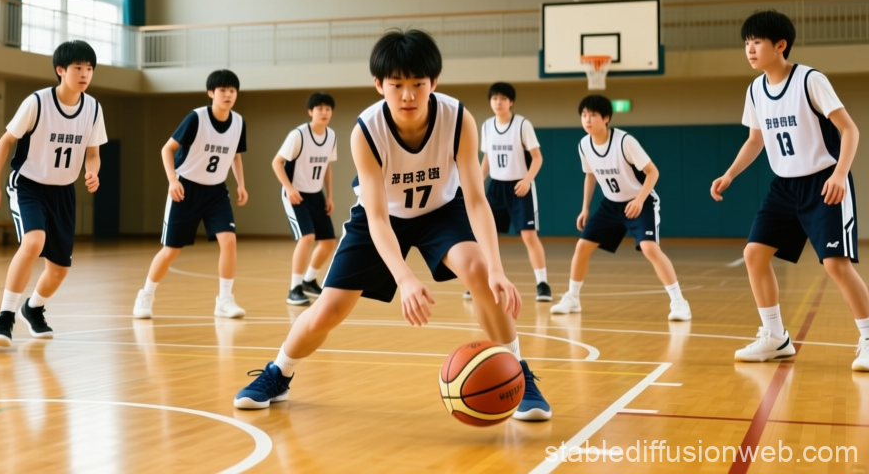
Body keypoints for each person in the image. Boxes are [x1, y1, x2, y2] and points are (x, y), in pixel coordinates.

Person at [233, 29, 551, 421]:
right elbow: (379, 216)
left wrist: (499, 269)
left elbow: (474, 198)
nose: (408, 95)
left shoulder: (458, 119)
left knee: (481, 272)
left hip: (442, 211)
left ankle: (519, 375)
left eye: (418, 84)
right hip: (380, 218)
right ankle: (278, 372)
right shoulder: (366, 132)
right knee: (330, 308)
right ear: (378, 84)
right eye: (397, 84)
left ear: (433, 82)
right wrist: (404, 278)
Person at [711, 10, 868, 370]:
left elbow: (850, 130)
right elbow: (755, 140)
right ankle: (776, 337)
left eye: (757, 43)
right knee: (754, 254)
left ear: (780, 45)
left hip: (823, 181)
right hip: (784, 187)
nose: (750, 49)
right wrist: (730, 174)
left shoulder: (810, 80)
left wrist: (840, 175)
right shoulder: (755, 90)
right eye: (746, 43)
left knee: (835, 265)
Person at [0, 41, 107, 347]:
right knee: (34, 241)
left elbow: (93, 153)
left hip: (63, 190)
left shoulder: (92, 108)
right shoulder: (37, 103)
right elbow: (5, 142)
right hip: (28, 184)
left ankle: (33, 308)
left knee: (59, 271)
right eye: (78, 68)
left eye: (89, 68)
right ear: (61, 70)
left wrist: (93, 171)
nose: (84, 74)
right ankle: (5, 316)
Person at [550, 95, 691, 322]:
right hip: (610, 204)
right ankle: (572, 297)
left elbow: (653, 172)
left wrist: (638, 200)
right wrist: (585, 208)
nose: (587, 119)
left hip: (640, 201)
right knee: (582, 247)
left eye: (593, 115)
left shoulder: (625, 141)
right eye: (584, 115)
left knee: (650, 249)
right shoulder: (584, 145)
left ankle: (679, 302)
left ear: (605, 118)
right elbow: (590, 176)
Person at [133, 70, 249, 320]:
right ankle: (146, 294)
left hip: (217, 190)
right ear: (211, 93)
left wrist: (241, 183)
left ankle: (224, 300)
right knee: (171, 250)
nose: (228, 95)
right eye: (222, 90)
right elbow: (167, 149)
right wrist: (172, 180)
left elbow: (235, 155)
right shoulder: (197, 118)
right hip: (186, 188)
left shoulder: (239, 122)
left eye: (232, 90)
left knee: (229, 241)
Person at [472, 82, 551, 302]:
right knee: (484, 236)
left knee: (529, 236)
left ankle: (542, 284)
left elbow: (537, 158)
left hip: (519, 186)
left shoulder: (522, 125)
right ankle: (479, 281)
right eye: (494, 98)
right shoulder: (487, 126)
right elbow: (486, 160)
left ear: (511, 102)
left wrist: (527, 180)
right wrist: (478, 181)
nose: (498, 102)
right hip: (496, 187)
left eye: (503, 99)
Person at [273, 92, 337, 306]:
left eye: (328, 109)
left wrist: (329, 196)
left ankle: (309, 280)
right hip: (295, 193)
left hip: (316, 194)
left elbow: (327, 166)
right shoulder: (298, 135)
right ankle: (294, 288)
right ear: (311, 112)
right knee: (307, 237)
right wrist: (289, 188)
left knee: (328, 243)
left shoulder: (331, 136)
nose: (324, 112)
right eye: (319, 108)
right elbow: (276, 163)